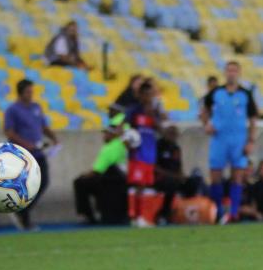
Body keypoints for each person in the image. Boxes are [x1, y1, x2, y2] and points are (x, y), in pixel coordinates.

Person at [201, 60, 258, 223]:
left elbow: (253, 119)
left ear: (239, 73)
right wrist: (206, 124)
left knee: (237, 176)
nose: (231, 73)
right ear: (225, 73)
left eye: (234, 70)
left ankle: (233, 213)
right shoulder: (216, 93)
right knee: (215, 175)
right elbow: (204, 109)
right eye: (229, 70)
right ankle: (217, 211)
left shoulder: (245, 94)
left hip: (239, 140)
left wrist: (251, 141)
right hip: (219, 139)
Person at [4, 79, 58, 230]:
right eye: (28, 92)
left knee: (43, 182)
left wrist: (53, 137)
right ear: (20, 93)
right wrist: (25, 144)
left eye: (31, 91)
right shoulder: (13, 110)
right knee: (27, 186)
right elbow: (9, 132)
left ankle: (22, 212)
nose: (31, 94)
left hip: (38, 152)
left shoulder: (36, 107)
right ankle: (24, 217)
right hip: (23, 154)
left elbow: (43, 126)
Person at [73, 114, 129, 225]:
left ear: (113, 134)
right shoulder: (123, 144)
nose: (104, 136)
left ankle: (88, 216)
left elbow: (97, 171)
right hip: (122, 182)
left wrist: (84, 176)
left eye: (106, 133)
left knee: (80, 182)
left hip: (109, 182)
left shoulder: (109, 147)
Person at [125, 81, 164, 227]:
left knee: (145, 185)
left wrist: (155, 117)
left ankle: (140, 216)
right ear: (140, 95)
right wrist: (127, 141)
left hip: (150, 153)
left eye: (151, 95)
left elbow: (161, 130)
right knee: (138, 185)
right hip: (137, 153)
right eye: (146, 95)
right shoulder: (134, 111)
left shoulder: (154, 113)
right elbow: (125, 128)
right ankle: (136, 216)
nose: (148, 98)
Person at [154, 125, 183, 223]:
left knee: (194, 183)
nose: (173, 136)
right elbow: (154, 167)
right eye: (171, 133)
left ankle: (185, 213)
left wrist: (182, 176)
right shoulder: (158, 145)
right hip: (159, 179)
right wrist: (171, 175)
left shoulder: (176, 148)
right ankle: (164, 213)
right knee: (172, 183)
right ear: (165, 133)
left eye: (175, 134)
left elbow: (179, 167)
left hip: (174, 178)